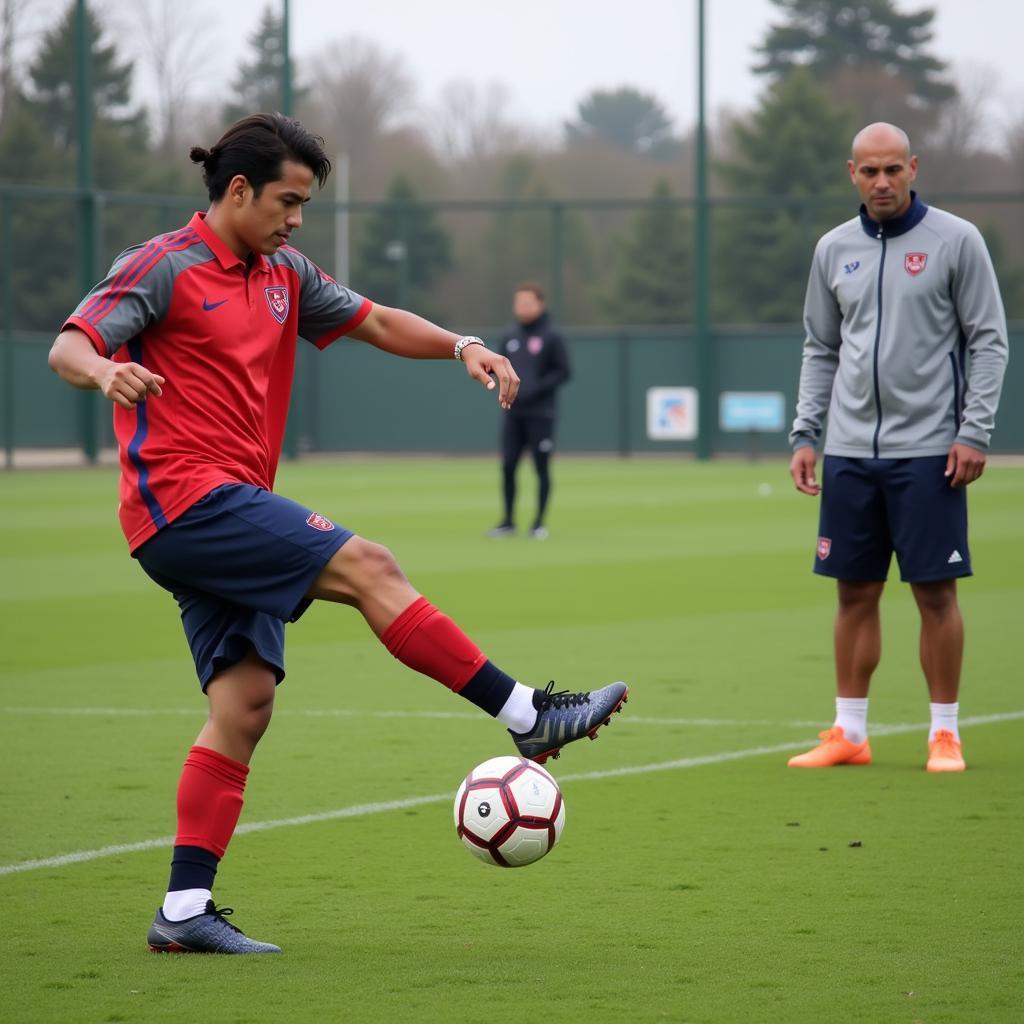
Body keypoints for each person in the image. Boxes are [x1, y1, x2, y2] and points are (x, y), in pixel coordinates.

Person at [48, 113, 628, 955]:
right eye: (288, 200)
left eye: (305, 205)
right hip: (183, 500)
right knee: (368, 564)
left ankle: (182, 913)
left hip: (226, 504)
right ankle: (527, 712)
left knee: (244, 706)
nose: (296, 219)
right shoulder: (163, 266)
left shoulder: (283, 270)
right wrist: (105, 367)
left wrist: (462, 344)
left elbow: (378, 321)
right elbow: (70, 344)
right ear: (238, 190)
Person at [787, 122, 1008, 773]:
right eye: (868, 171)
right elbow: (820, 347)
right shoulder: (833, 249)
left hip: (930, 451)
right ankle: (849, 731)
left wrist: (973, 430)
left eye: (893, 169)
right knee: (852, 593)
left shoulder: (957, 241)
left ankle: (945, 734)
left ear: (913, 168)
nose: (881, 182)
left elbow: (988, 341)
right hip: (850, 451)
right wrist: (807, 433)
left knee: (935, 594)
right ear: (851, 173)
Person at [487, 283, 571, 540]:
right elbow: (497, 365)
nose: (521, 307)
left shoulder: (552, 336)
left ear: (540, 304)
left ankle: (538, 523)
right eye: (518, 303)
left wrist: (534, 389)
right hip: (513, 412)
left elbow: (563, 371)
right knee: (508, 466)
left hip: (541, 413)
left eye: (527, 302)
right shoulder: (510, 336)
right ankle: (508, 522)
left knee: (541, 467)